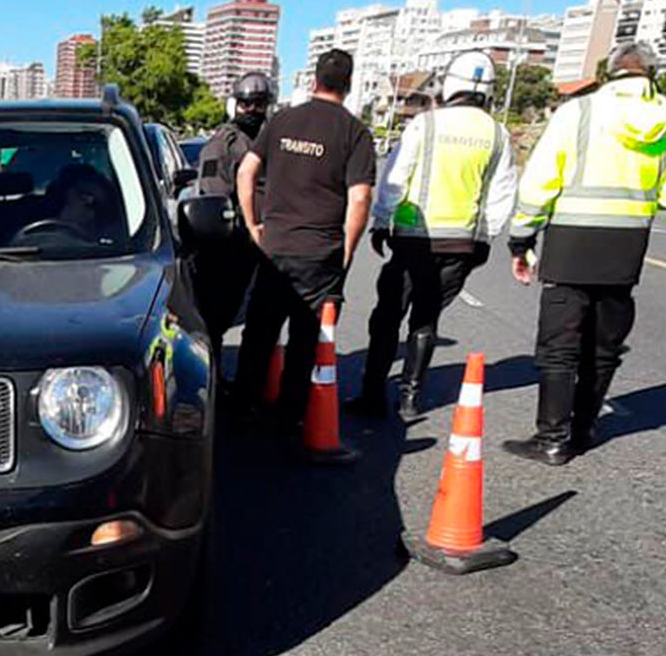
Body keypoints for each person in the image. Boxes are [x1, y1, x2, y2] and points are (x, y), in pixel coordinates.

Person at [502, 40, 666, 465]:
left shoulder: (579, 111)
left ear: (612, 72)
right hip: (627, 243)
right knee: (604, 345)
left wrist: (522, 236)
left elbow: (540, 181)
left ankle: (551, 438)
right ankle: (583, 429)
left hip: (571, 239)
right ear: (652, 74)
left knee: (559, 345)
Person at [348, 51, 517, 418]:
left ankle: (372, 394)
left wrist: (381, 222)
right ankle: (410, 398)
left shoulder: (427, 125)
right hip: (461, 243)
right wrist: (485, 237)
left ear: (450, 84)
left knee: (387, 317)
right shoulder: (497, 134)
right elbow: (502, 192)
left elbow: (396, 178)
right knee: (426, 320)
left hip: (414, 239)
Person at [233, 49, 376, 427]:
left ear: (314, 79)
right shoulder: (354, 132)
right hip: (320, 253)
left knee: (259, 332)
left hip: (275, 246)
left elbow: (246, 172)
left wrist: (253, 224)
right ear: (348, 85)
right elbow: (360, 197)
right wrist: (347, 247)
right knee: (304, 338)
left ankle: (242, 405)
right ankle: (289, 415)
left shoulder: (282, 121)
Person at [193, 72, 274, 345]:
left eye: (259, 104)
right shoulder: (223, 144)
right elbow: (213, 197)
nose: (252, 110)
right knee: (213, 321)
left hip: (261, 245)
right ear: (235, 104)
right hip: (228, 246)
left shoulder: (269, 140)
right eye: (246, 104)